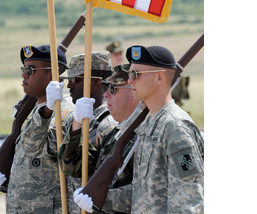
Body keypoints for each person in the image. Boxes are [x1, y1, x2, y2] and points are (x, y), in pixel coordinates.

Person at [75, 46, 204, 214]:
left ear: (159, 77)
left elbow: (189, 200)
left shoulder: (175, 127)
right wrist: (100, 199)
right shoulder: (149, 123)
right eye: (130, 75)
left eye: (136, 75)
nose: (130, 81)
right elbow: (144, 194)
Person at [0, 45, 75, 214]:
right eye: (24, 69)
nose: (24, 75)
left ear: (53, 73)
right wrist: (4, 179)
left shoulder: (63, 113)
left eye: (31, 70)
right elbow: (35, 170)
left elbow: (37, 149)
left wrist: (47, 111)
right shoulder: (38, 110)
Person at [65, 64, 140, 214]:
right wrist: (76, 125)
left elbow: (151, 192)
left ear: (134, 92)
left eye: (113, 89)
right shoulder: (113, 133)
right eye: (106, 88)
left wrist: (102, 198)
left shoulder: (144, 136)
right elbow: (73, 166)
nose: (106, 95)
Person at [56, 51, 116, 211]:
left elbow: (72, 167)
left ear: (96, 83)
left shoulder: (107, 124)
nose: (69, 85)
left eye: (75, 79)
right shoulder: (87, 120)